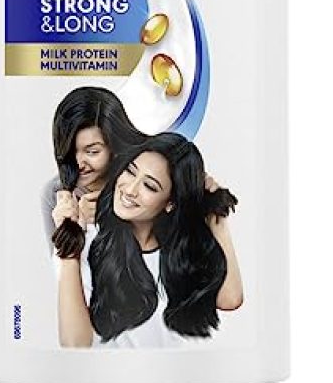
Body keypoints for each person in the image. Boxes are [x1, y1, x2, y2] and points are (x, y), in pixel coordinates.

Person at [53, 132, 242, 348]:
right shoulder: (87, 239)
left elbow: (230, 299)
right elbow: (75, 344)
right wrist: (69, 248)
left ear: (170, 203)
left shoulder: (182, 250)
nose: (129, 190)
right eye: (130, 171)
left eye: (149, 186)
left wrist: (217, 217)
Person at [42, 86, 147, 258]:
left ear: (114, 146)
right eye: (70, 151)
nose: (79, 164)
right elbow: (63, 273)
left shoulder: (140, 180)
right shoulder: (55, 193)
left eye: (92, 152)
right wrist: (74, 231)